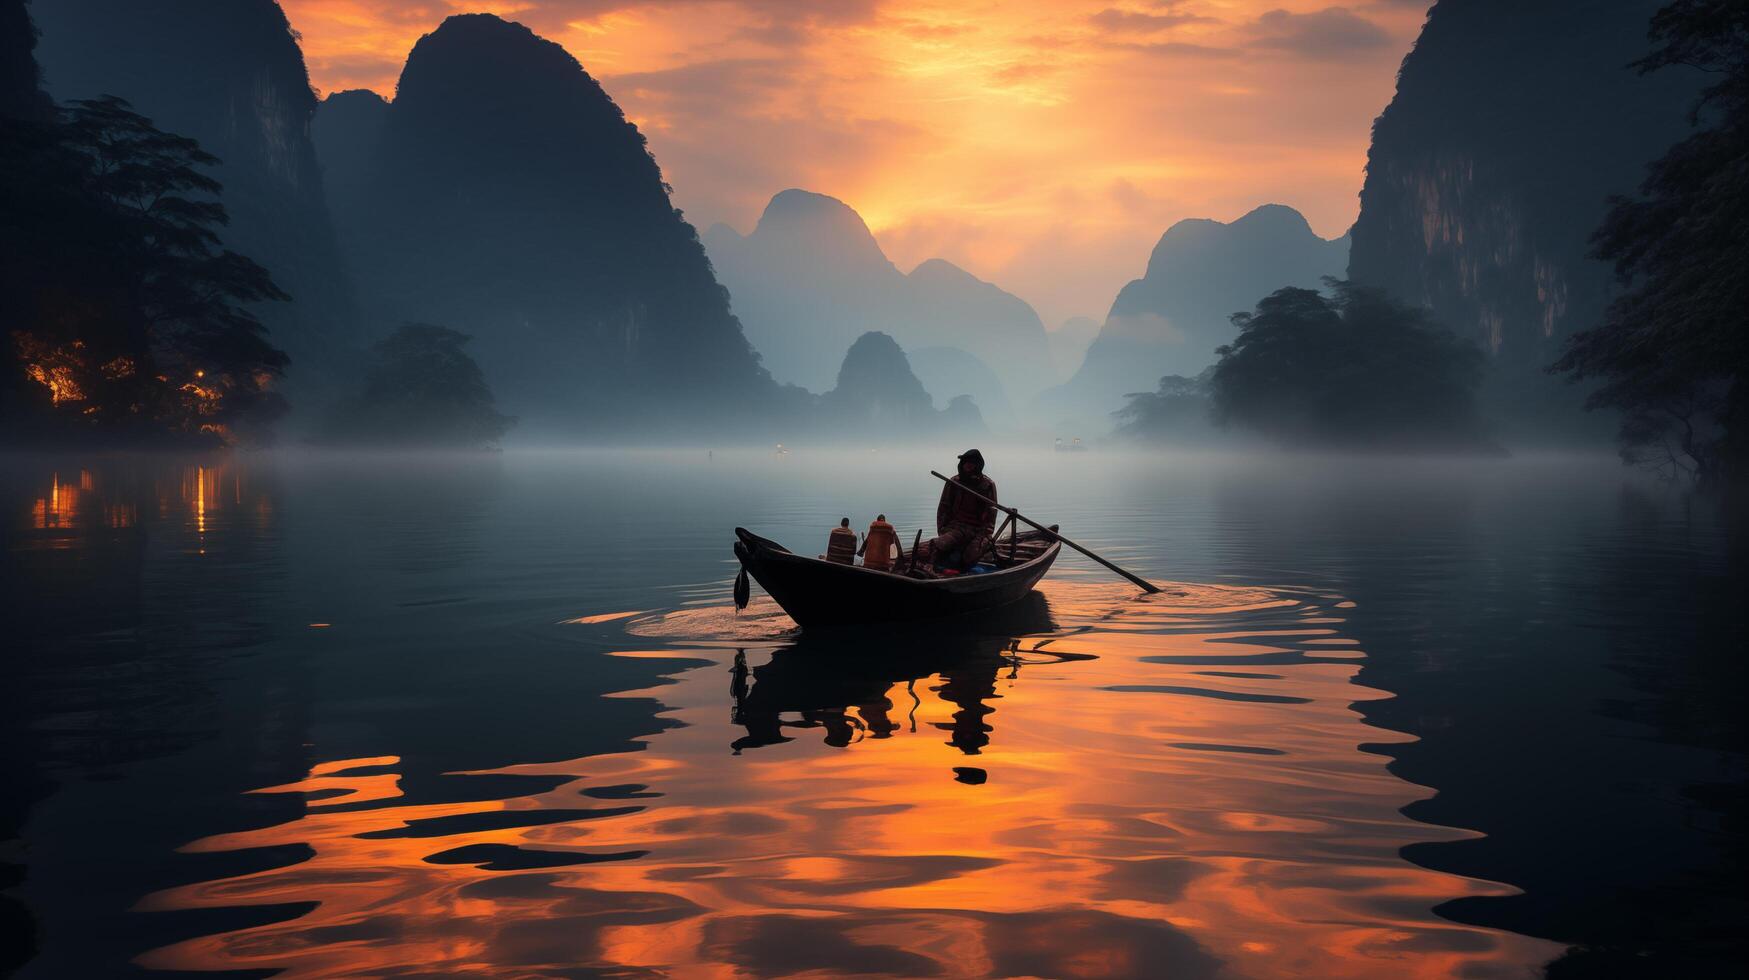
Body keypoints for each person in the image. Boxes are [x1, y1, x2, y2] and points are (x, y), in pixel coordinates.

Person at [920, 449, 997, 571]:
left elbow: (991, 518)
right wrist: (943, 530)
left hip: (977, 531)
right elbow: (943, 509)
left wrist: (984, 536)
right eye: (965, 462)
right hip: (956, 528)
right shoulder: (954, 482)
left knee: (969, 557)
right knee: (935, 546)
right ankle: (929, 566)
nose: (967, 465)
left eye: (971, 463)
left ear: (978, 465)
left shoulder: (987, 485)